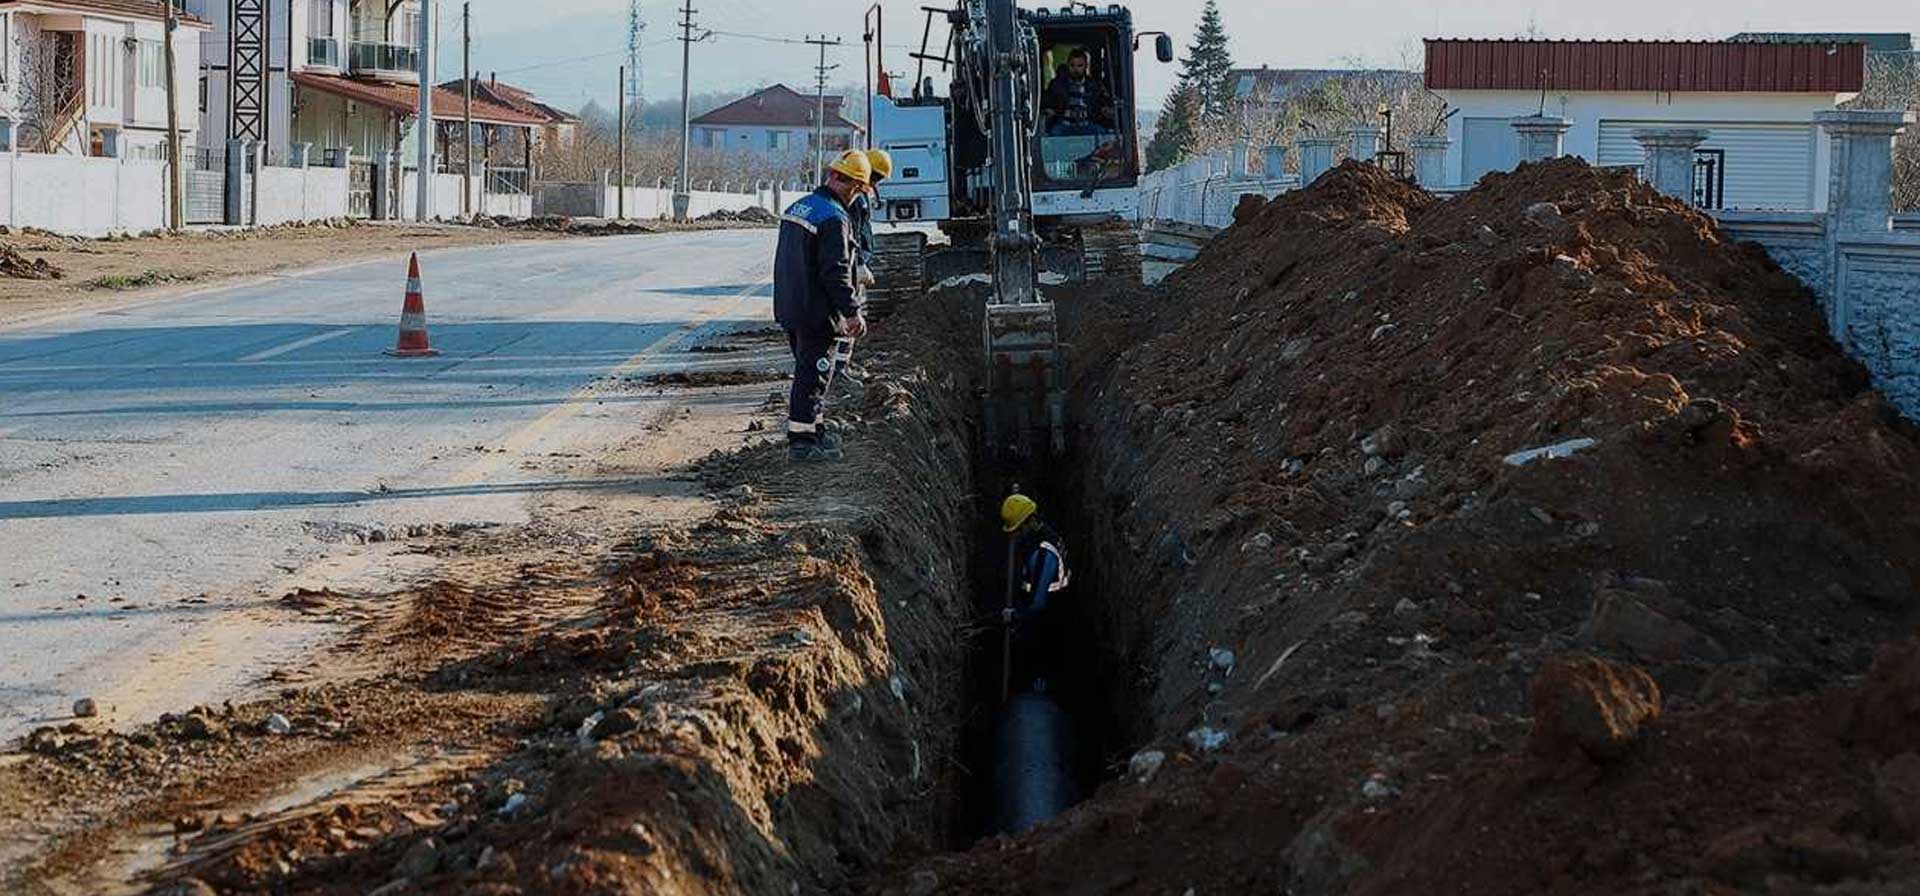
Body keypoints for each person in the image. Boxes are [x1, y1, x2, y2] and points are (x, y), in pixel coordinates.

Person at [774, 150, 871, 463]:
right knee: (813, 375)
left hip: (791, 305)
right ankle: (802, 443)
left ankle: (814, 430)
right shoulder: (833, 217)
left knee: (810, 374)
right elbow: (835, 271)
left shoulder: (799, 207)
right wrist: (852, 311)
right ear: (854, 187)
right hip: (815, 312)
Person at [1000, 493, 1071, 693]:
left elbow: (1038, 605)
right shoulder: (1046, 535)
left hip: (1048, 626)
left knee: (1038, 672)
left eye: (1019, 529)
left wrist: (1015, 616)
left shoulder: (1043, 554)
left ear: (1030, 521)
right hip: (1049, 615)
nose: (1016, 535)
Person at [1042, 48, 1115, 135]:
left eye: (1080, 66)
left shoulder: (1095, 85)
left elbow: (1104, 101)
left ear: (1086, 66)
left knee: (1103, 133)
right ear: (1067, 65)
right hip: (1064, 126)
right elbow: (1048, 101)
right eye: (1072, 65)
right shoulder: (1057, 85)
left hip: (1087, 125)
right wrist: (1049, 110)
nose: (1076, 69)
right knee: (1052, 134)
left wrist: (1106, 109)